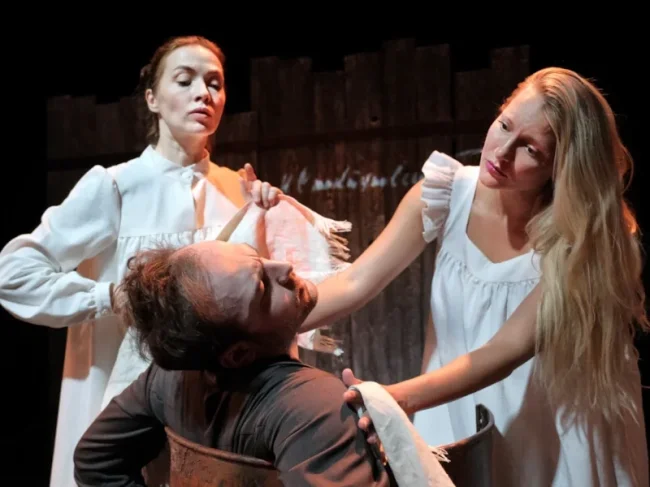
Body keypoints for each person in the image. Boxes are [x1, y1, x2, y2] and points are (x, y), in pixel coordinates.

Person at [299, 67, 649, 486]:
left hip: (547, 429)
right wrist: (262, 323)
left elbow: (503, 350)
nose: (501, 152)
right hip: (451, 407)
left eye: (530, 149)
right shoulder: (446, 194)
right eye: (504, 125)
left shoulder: (580, 243)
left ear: (562, 168)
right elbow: (357, 282)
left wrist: (395, 400)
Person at [0, 35, 301, 487]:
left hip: (217, 413)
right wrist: (109, 297)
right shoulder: (116, 186)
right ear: (152, 99)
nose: (204, 93)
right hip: (125, 400)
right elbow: (13, 273)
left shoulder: (241, 192)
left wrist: (269, 217)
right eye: (185, 80)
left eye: (215, 83)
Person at [72, 240, 391, 487]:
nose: (284, 267)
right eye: (263, 288)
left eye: (258, 257)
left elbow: (95, 461)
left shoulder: (168, 380)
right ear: (238, 354)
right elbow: (96, 462)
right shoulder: (314, 407)